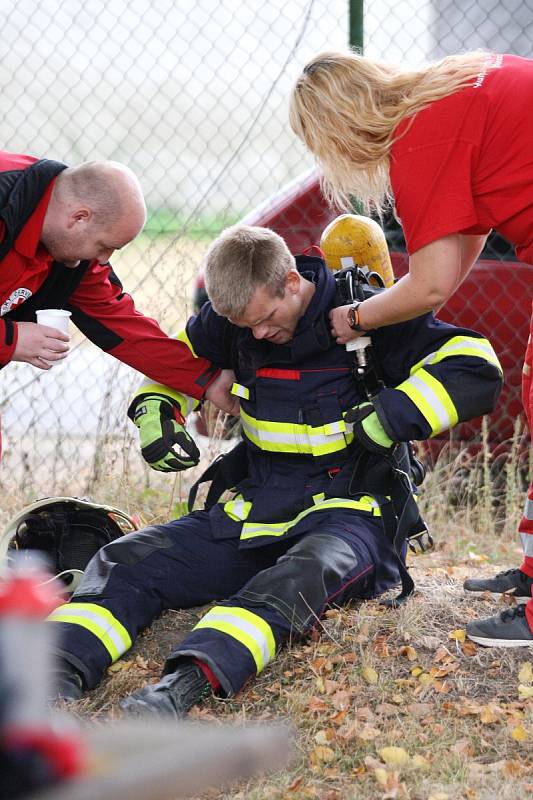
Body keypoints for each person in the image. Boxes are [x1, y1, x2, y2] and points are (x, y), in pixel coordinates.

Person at [47, 224, 502, 715]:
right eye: (245, 327)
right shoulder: (234, 323)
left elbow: (475, 364)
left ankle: (179, 689)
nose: (257, 335)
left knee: (296, 578)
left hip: (351, 518)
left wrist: (393, 416)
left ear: (290, 281)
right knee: (129, 559)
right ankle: (55, 672)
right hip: (256, 508)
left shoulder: (367, 313)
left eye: (265, 319)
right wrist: (156, 412)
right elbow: (173, 362)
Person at [289, 50, 533, 646]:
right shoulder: (453, 85)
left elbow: (428, 282)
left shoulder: (419, 138)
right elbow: (466, 236)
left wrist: (355, 317)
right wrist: (418, 305)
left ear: (340, 128)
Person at [0, 150, 223, 463]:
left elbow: (121, 324)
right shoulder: (6, 200)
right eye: (105, 246)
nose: (104, 259)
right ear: (78, 217)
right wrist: (10, 339)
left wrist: (208, 380)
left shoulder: (74, 254)